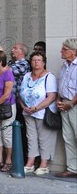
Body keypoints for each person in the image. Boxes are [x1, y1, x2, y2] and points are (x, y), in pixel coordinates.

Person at [18, 51, 58, 175]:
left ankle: (44, 164)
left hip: (42, 112)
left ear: (44, 62)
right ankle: (30, 163)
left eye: (39, 60)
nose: (36, 62)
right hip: (28, 112)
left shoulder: (48, 76)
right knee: (31, 138)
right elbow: (20, 93)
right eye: (34, 60)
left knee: (44, 138)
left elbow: (51, 96)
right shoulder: (27, 76)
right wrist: (24, 106)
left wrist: (36, 108)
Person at [56, 38, 77, 178]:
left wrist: (71, 103)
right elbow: (61, 85)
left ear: (73, 51)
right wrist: (59, 100)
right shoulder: (64, 66)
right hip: (64, 104)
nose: (61, 51)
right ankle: (73, 168)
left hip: (74, 105)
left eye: (64, 49)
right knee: (68, 137)